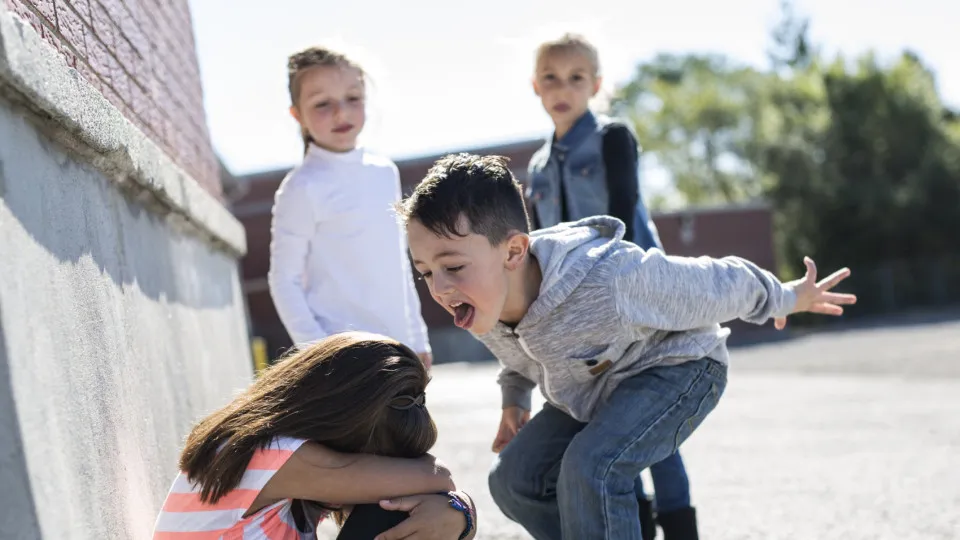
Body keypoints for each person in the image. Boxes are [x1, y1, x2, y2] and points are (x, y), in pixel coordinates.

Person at [398, 153, 856, 540]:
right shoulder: (482, 300)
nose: (439, 287)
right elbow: (520, 355)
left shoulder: (610, 279)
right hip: (594, 388)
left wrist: (789, 297)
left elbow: (718, 282)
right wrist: (513, 401)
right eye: (425, 272)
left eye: (452, 266)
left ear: (514, 252)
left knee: (591, 467)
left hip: (679, 369)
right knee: (513, 481)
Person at [524, 32, 690, 539]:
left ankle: (683, 527)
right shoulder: (535, 166)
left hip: (635, 297)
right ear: (535, 86)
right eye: (551, 77)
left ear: (595, 85)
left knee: (652, 421)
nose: (563, 87)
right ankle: (633, 527)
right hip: (576, 313)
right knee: (608, 424)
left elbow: (622, 212)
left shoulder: (613, 137)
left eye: (576, 78)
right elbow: (539, 244)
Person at [151, 332, 477, 540]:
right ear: (340, 426)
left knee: (404, 510)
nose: (382, 475)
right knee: (391, 511)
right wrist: (461, 510)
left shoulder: (278, 458)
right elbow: (440, 476)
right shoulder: (270, 455)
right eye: (375, 462)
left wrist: (459, 515)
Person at [269, 46, 432, 368]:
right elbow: (283, 280)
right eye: (322, 104)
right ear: (297, 115)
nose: (341, 113)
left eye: (352, 98)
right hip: (342, 359)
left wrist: (417, 338)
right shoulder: (302, 187)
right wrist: (318, 352)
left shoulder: (385, 172)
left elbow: (398, 265)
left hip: (399, 349)